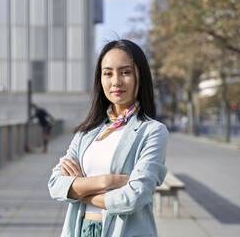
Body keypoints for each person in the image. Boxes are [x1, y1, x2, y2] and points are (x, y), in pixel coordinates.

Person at [48, 39, 168, 237]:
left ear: (141, 76)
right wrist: (106, 181)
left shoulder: (152, 131)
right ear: (100, 79)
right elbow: (56, 184)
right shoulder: (87, 132)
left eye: (126, 72)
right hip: (80, 230)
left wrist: (81, 191)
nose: (116, 82)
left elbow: (134, 196)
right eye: (108, 73)